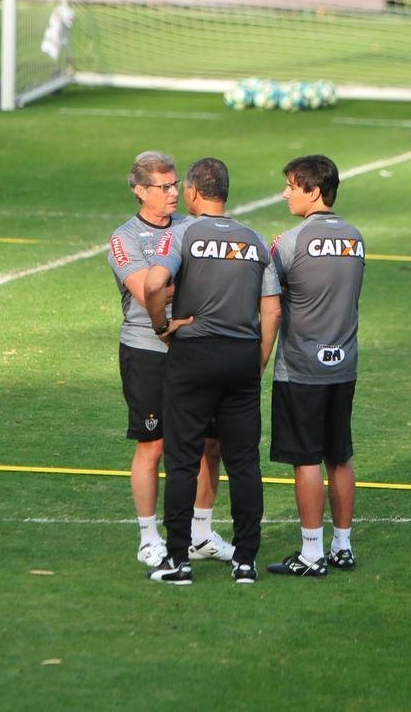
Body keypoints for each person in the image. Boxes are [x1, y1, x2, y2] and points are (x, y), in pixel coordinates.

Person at [143, 158, 282, 585]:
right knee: (243, 462)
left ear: (192, 192)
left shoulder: (183, 233)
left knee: (183, 459)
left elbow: (151, 286)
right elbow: (272, 308)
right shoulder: (254, 240)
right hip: (241, 356)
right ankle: (245, 562)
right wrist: (257, 358)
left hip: (194, 355)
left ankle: (179, 561)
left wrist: (162, 326)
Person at [106, 151, 236, 569]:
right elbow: (149, 292)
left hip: (196, 350)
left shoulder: (190, 227)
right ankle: (148, 537)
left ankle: (200, 534)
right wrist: (201, 279)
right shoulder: (124, 239)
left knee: (209, 446)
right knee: (154, 445)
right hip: (147, 350)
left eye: (175, 184)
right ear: (139, 191)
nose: (173, 194)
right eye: (162, 187)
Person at [265, 156, 365, 579]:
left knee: (305, 460)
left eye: (292, 186)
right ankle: (342, 545)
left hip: (301, 366)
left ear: (313, 190)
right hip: (343, 366)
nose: (286, 193)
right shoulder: (355, 238)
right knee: (338, 455)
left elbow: (271, 299)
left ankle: (311, 552)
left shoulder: (289, 242)